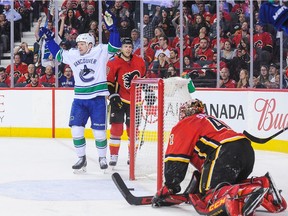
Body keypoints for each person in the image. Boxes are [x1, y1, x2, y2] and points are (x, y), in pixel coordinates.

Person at [151, 99, 287, 215]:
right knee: (224, 185)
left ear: (186, 113)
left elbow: (175, 160)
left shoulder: (186, 123)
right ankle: (262, 184)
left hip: (225, 152)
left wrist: (169, 186)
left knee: (209, 195)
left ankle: (246, 193)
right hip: (246, 151)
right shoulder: (208, 120)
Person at [41, 9, 121, 171]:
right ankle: (81, 158)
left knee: (99, 132)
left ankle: (102, 158)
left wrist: (113, 30)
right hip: (79, 99)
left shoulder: (100, 51)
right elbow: (58, 55)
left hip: (97, 98)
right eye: (78, 44)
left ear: (90, 44)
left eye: (82, 44)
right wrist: (49, 40)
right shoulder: (74, 54)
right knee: (76, 129)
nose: (79, 46)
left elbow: (115, 46)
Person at [106, 37, 146, 166]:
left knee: (132, 130)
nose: (128, 49)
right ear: (121, 48)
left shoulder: (139, 61)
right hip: (119, 99)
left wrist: (148, 91)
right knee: (116, 129)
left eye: (130, 47)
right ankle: (113, 155)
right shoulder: (113, 62)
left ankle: (132, 155)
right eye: (125, 46)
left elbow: (143, 78)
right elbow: (109, 81)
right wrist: (112, 96)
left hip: (136, 101)